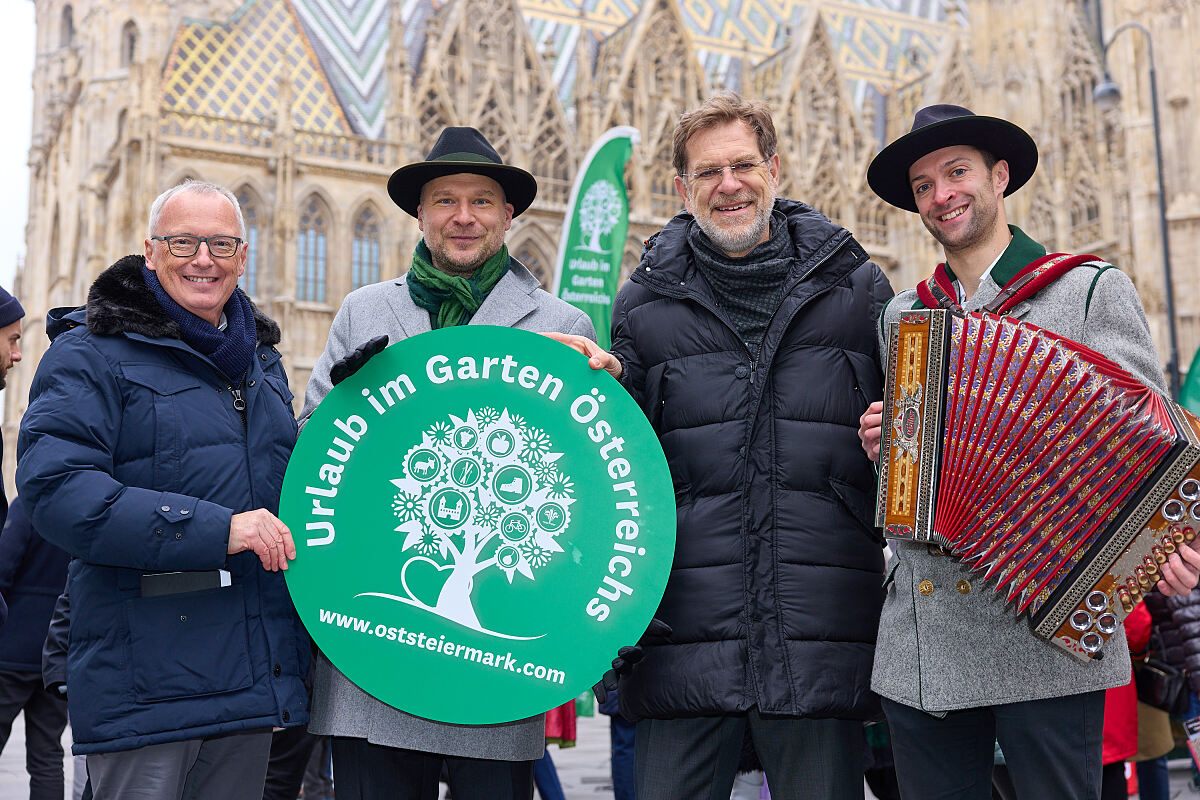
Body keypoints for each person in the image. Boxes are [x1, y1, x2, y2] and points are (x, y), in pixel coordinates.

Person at [548, 91, 894, 800]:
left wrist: (896, 439)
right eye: (708, 172)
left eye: (742, 165)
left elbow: (911, 454)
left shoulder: (859, 291)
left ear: (774, 168)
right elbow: (620, 469)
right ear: (681, 189)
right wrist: (598, 395)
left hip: (815, 643)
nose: (728, 184)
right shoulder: (641, 303)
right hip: (685, 645)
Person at [857, 104, 1200, 799]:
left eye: (957, 173)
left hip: (1046, 632)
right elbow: (915, 485)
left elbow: (1154, 444)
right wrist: (885, 446)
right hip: (926, 640)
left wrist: (1163, 543)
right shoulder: (904, 317)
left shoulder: (1088, 291)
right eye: (924, 185)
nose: (942, 194)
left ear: (1000, 176)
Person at [300, 126, 595, 800]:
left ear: (508, 215)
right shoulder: (363, 311)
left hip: (494, 666)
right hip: (371, 658)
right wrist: (344, 406)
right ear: (421, 213)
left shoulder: (561, 326)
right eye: (445, 201)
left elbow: (580, 482)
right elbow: (313, 456)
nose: (464, 218)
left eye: (482, 202)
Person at [16, 180, 311, 800]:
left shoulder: (260, 363)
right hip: (144, 683)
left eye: (222, 245)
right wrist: (219, 530)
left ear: (244, 256)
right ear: (149, 252)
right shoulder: (90, 353)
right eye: (184, 243)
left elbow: (299, 475)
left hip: (247, 677)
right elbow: (57, 490)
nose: (204, 259)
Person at [0, 496, 70, 800]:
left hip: (11, 650)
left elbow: (2, 567)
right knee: (47, 757)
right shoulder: (81, 512)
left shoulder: (28, 507)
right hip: (57, 653)